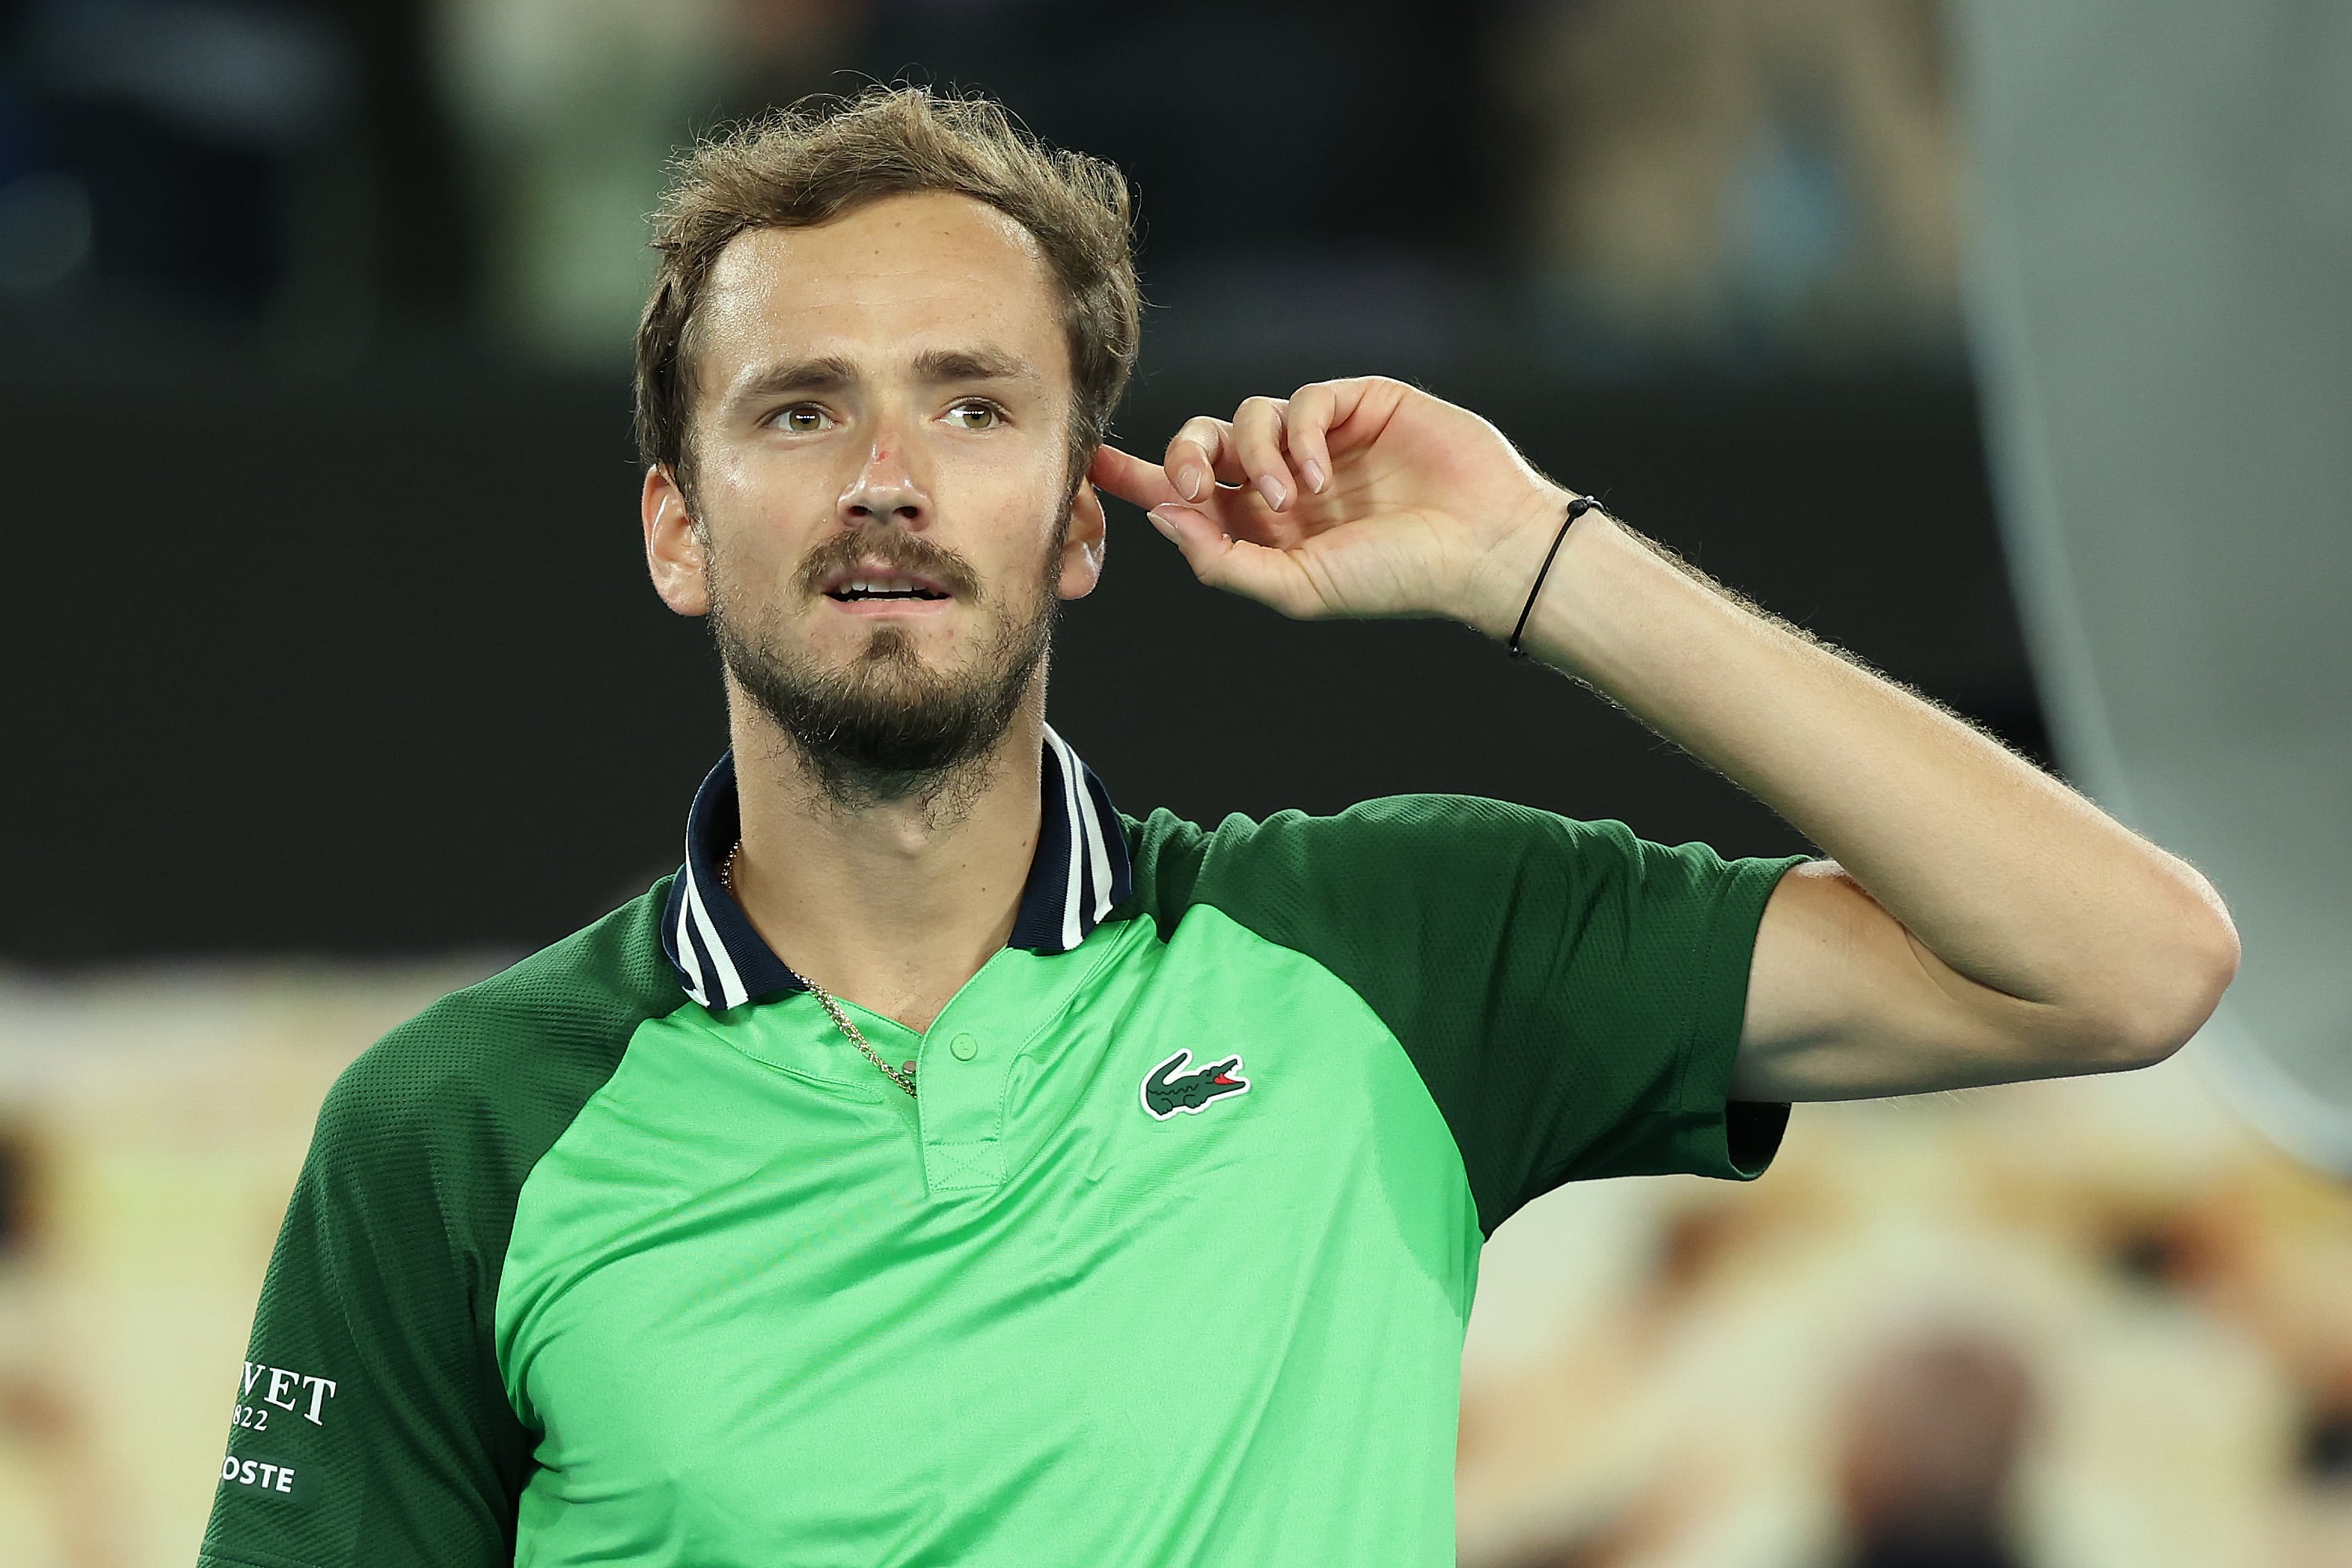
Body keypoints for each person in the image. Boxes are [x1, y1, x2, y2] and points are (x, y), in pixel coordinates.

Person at [197, 86, 2238, 1568]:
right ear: (676, 522)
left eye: (976, 406)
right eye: (800, 408)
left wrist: (1539, 555)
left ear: (1084, 520)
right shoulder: (453, 1130)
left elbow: (2129, 962)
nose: (890, 477)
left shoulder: (1394, 948)